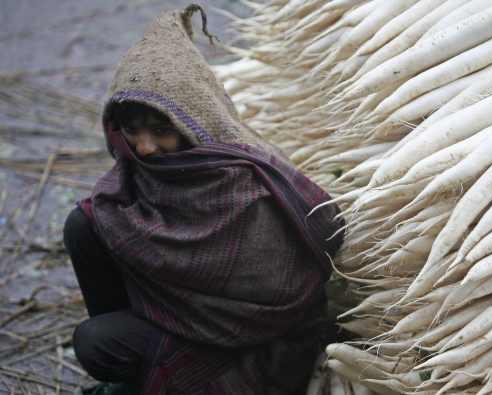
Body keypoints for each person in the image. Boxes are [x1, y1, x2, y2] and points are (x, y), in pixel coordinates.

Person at [63, 4, 344, 395]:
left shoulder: (245, 184)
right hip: (178, 324)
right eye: (132, 130)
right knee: (84, 225)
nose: (144, 148)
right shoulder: (131, 183)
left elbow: (302, 271)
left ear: (194, 120)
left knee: (98, 340)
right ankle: (140, 380)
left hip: (258, 347)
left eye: (162, 130)